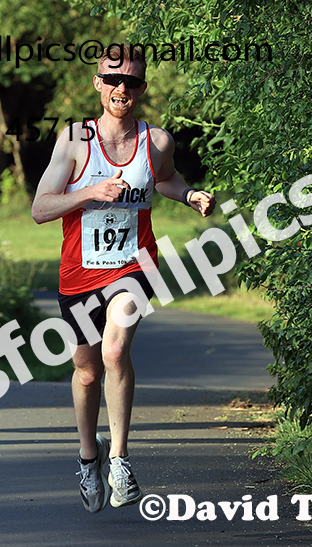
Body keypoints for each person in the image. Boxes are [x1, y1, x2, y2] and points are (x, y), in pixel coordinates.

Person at [31, 43, 216, 513]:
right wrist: (90, 191)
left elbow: (165, 179)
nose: (122, 88)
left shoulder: (156, 141)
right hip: (79, 271)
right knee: (87, 370)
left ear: (142, 88)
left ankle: (119, 459)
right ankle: (87, 457)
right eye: (114, 79)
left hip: (135, 264)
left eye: (132, 81)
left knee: (115, 351)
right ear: (98, 84)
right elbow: (40, 209)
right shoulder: (74, 139)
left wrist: (190, 194)